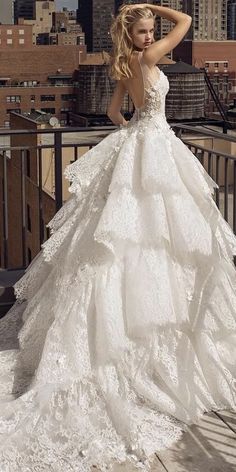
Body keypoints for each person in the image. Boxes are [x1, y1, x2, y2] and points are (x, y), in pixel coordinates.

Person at [0, 3, 236, 471]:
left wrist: (135, 135)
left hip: (142, 144)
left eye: (152, 31)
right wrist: (158, 8)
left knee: (138, 238)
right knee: (154, 238)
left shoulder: (123, 63)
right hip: (159, 145)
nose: (151, 37)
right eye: (146, 31)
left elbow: (112, 111)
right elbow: (187, 24)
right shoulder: (147, 61)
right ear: (136, 36)